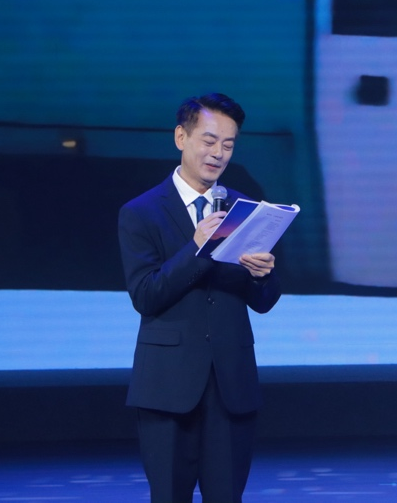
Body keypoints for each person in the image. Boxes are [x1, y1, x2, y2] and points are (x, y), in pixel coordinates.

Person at [118, 93, 282, 503]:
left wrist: (262, 276)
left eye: (228, 144)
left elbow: (263, 301)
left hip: (231, 386)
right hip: (167, 387)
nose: (218, 153)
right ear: (181, 137)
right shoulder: (141, 212)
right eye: (209, 141)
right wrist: (196, 248)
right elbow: (146, 295)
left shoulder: (245, 208)